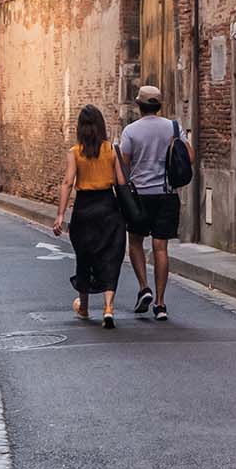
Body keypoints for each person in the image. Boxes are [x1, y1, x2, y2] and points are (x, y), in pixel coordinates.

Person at [119, 84, 195, 322]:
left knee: (135, 243)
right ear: (160, 106)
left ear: (139, 105)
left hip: (139, 196)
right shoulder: (173, 127)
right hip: (167, 194)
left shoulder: (130, 131)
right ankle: (161, 304)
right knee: (161, 248)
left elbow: (124, 165)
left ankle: (144, 288)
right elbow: (189, 156)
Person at [53, 104, 126, 328]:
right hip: (108, 207)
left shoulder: (75, 153)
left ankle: (84, 307)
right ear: (101, 125)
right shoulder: (112, 150)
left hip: (84, 210)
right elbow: (121, 183)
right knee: (111, 257)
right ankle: (108, 308)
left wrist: (60, 215)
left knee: (84, 258)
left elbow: (67, 183)